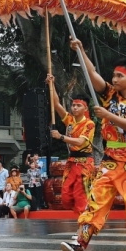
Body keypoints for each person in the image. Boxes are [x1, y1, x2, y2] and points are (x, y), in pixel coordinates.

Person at [60, 39, 126, 251]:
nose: (114, 79)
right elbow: (93, 74)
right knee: (96, 201)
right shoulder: (109, 95)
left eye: (120, 76)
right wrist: (81, 50)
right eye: (114, 75)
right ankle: (80, 245)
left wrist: (108, 116)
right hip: (110, 160)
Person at [50, 75, 96, 216]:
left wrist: (61, 137)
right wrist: (51, 84)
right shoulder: (70, 120)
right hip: (71, 163)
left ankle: (82, 229)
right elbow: (57, 104)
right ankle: (83, 221)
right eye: (73, 105)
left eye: (78, 105)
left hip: (84, 164)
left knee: (80, 195)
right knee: (66, 197)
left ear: (85, 108)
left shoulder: (89, 124)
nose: (74, 107)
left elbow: (81, 142)